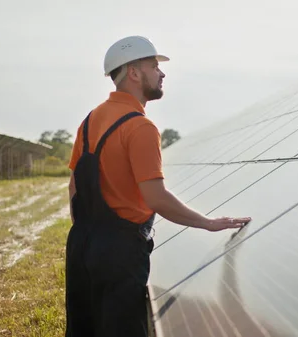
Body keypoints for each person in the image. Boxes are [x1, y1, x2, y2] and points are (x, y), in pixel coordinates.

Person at [65, 35, 251, 337]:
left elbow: (74, 186)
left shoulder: (90, 120)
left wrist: (88, 236)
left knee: (84, 328)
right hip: (120, 251)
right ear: (134, 73)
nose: (162, 73)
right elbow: (157, 198)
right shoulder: (140, 126)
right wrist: (207, 222)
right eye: (154, 66)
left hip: (81, 244)